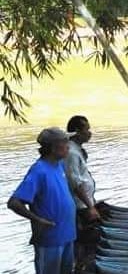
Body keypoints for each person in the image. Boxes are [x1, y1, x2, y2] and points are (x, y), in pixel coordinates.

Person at [7, 127, 77, 274]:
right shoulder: (39, 170)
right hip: (50, 239)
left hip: (67, 234)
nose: (68, 146)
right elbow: (14, 202)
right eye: (65, 142)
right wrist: (37, 219)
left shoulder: (59, 166)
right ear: (53, 148)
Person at [64, 116, 100, 273]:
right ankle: (82, 268)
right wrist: (90, 206)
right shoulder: (71, 153)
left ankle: (82, 265)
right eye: (87, 129)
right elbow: (74, 182)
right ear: (78, 131)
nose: (89, 132)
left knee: (87, 240)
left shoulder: (76, 149)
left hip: (85, 203)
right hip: (80, 206)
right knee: (86, 240)